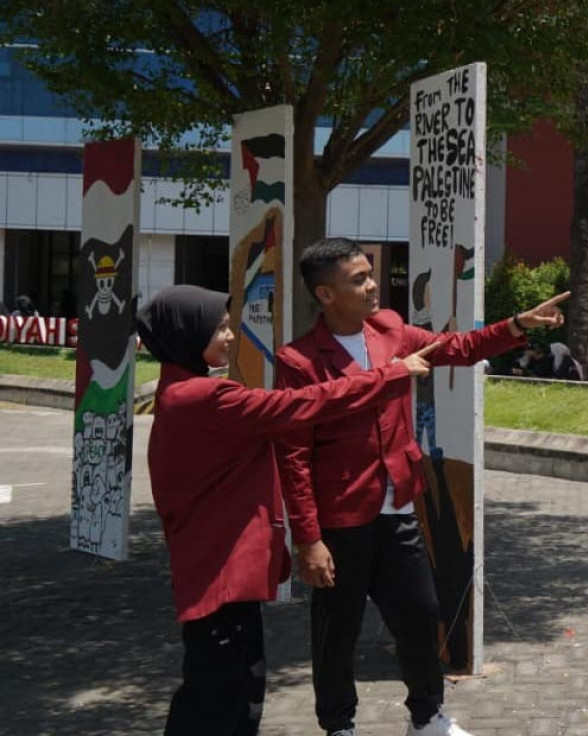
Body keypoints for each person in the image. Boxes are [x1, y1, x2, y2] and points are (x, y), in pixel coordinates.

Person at [272, 238, 568, 736]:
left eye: (371, 274)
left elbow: (458, 348)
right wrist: (308, 538)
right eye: (359, 279)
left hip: (396, 508)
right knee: (336, 633)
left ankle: (427, 718)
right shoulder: (299, 360)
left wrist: (517, 325)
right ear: (325, 295)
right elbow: (293, 456)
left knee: (420, 614)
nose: (372, 286)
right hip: (340, 518)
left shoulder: (388, 329)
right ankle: (338, 726)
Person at [139, 284, 440, 736]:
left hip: (214, 569)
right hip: (218, 572)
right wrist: (389, 376)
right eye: (218, 327)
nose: (229, 336)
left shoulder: (183, 391)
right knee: (218, 697)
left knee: (232, 691)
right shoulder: (203, 398)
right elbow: (302, 404)